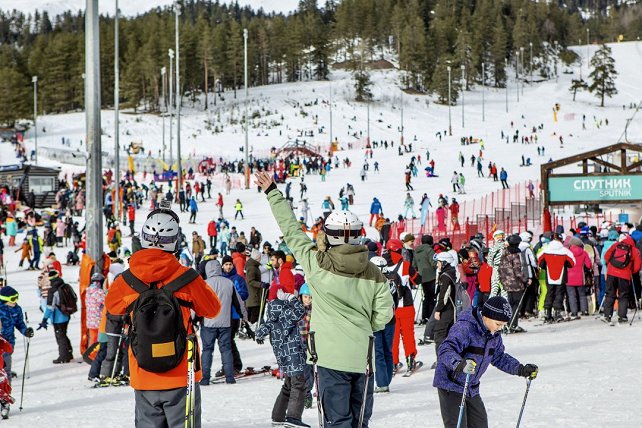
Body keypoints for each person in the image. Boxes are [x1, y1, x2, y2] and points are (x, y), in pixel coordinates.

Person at [254, 171, 393, 428]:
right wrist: (363, 326)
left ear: (329, 235)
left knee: (336, 421)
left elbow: (292, 231)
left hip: (329, 357)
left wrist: (272, 192)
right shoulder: (374, 272)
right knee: (360, 421)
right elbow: (384, 313)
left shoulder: (316, 263)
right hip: (362, 356)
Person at [104, 203, 221, 427]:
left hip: (143, 370)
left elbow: (112, 307)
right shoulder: (188, 278)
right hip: (182, 372)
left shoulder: (127, 280)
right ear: (175, 241)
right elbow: (212, 309)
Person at [433, 296, 539, 428]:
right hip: (451, 385)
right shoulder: (465, 328)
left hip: (471, 387)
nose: (500, 328)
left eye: (503, 325)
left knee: (480, 424)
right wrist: (459, 364)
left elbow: (499, 357)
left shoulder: (494, 335)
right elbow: (445, 349)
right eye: (498, 324)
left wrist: (521, 369)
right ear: (486, 317)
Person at [256, 286, 308, 427]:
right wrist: (291, 298)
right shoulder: (286, 312)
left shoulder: (271, 314)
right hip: (294, 355)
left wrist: (259, 335)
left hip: (283, 358)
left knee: (288, 386)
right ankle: (293, 418)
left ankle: (278, 417)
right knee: (298, 385)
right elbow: (300, 311)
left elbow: (260, 331)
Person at [200, 259, 246, 385]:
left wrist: (192, 319)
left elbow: (197, 303)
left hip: (208, 323)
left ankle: (205, 378)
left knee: (207, 350)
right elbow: (238, 302)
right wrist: (244, 316)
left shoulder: (203, 284)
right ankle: (230, 377)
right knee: (226, 350)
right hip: (225, 322)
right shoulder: (228, 283)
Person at [370, 257, 398, 393]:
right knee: (387, 351)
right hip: (390, 321)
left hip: (376, 321)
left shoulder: (373, 283)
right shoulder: (391, 282)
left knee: (378, 352)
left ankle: (382, 383)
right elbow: (395, 302)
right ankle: (385, 380)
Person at [0, 286, 34, 394]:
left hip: (9, 344)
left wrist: (25, 331)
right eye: (13, 298)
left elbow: (20, 323)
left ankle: (6, 395)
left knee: (6, 371)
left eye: (17, 297)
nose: (16, 301)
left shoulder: (17, 309)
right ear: (5, 299)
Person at [602, 233, 641, 324]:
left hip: (611, 273)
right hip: (624, 275)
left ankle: (607, 316)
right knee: (623, 295)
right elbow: (637, 266)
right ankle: (622, 317)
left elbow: (606, 256)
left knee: (610, 294)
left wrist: (610, 266)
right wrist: (631, 271)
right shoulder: (634, 250)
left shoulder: (616, 245)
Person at [220, 255, 248, 373]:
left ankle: (234, 365)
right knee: (224, 341)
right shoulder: (220, 278)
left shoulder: (238, 278)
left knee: (228, 340)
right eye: (226, 264)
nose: (228, 267)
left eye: (230, 264)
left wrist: (233, 297)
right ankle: (229, 365)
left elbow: (245, 294)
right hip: (222, 314)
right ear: (222, 266)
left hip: (234, 314)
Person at [537, 234, 575, 323]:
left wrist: (545, 267)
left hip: (549, 275)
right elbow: (572, 263)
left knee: (549, 293)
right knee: (559, 294)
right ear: (561, 240)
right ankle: (557, 313)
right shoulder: (565, 251)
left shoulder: (545, 250)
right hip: (561, 276)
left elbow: (540, 261)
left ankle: (547, 313)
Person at [38, 270, 73, 363]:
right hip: (66, 315)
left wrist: (44, 319)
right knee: (64, 334)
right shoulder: (65, 286)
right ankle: (69, 353)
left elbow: (50, 307)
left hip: (58, 318)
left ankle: (63, 357)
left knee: (60, 337)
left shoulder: (52, 290)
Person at [497, 234, 527, 332]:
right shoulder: (515, 255)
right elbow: (517, 271)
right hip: (516, 284)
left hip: (506, 283)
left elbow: (500, 269)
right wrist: (525, 279)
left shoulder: (504, 254)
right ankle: (513, 324)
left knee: (510, 304)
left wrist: (503, 280)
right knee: (517, 304)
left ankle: (507, 323)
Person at [413, 235, 437, 327]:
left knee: (426, 297)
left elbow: (414, 265)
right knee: (432, 297)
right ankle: (430, 316)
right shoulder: (429, 250)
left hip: (422, 277)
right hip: (431, 276)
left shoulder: (416, 251)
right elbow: (433, 263)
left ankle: (424, 316)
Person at [566, 237, 592, 319]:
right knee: (582, 295)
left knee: (572, 296)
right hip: (580, 276)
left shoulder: (567, 253)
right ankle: (584, 311)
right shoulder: (584, 252)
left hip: (569, 277)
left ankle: (574, 312)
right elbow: (589, 265)